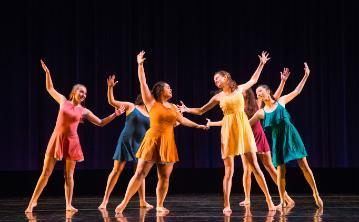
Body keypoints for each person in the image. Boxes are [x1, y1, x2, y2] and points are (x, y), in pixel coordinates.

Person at [178, 51, 276, 212]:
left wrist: (262, 64)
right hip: (228, 130)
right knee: (229, 170)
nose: (216, 81)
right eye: (214, 80)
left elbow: (254, 79)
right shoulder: (218, 97)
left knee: (255, 167)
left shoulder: (239, 90)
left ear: (226, 77)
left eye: (218, 78)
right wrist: (187, 109)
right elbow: (202, 110)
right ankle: (226, 205)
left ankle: (269, 201)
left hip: (243, 127)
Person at [114, 51, 208, 214]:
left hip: (167, 143)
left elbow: (182, 120)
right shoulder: (151, 102)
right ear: (160, 90)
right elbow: (142, 82)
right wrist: (140, 64)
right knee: (140, 174)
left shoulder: (173, 107)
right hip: (152, 140)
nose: (171, 89)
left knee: (164, 177)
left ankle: (159, 205)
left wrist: (198, 126)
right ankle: (123, 203)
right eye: (168, 87)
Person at [25, 60, 124, 213]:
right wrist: (47, 73)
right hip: (57, 139)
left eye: (85, 93)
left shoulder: (84, 111)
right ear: (74, 93)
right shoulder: (63, 100)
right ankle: (32, 202)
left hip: (72, 143)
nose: (83, 95)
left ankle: (68, 205)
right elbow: (49, 88)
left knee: (69, 175)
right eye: (81, 92)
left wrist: (115, 114)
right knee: (46, 173)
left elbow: (100, 122)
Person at [249, 63, 323, 208]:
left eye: (260, 91)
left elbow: (297, 91)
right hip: (278, 141)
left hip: (292, 136)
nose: (258, 94)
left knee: (304, 166)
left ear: (268, 91)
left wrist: (306, 76)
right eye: (257, 93)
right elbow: (244, 125)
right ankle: (283, 200)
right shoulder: (261, 112)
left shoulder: (281, 101)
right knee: (281, 171)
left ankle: (315, 193)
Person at [238, 68, 294, 207]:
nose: (239, 91)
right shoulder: (236, 107)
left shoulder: (257, 102)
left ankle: (286, 197)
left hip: (258, 137)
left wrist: (282, 81)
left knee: (269, 166)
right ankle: (247, 199)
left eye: (242, 89)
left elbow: (274, 98)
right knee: (247, 169)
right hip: (245, 139)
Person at [98, 75, 153, 209]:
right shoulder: (131, 106)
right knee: (117, 170)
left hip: (141, 145)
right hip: (126, 142)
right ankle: (105, 201)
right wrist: (110, 88)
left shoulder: (152, 113)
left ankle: (142, 201)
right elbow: (112, 101)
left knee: (140, 173)